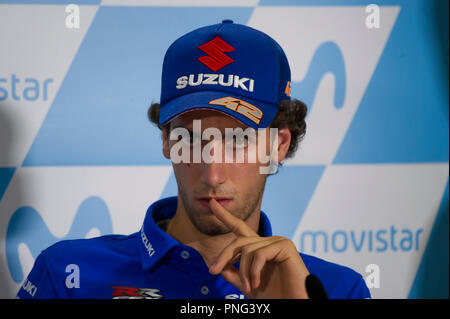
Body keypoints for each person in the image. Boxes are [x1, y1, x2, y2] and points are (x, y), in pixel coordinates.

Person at [17, 20, 370, 299]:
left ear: (278, 145)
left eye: (238, 140)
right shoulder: (67, 274)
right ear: (167, 141)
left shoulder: (335, 289)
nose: (212, 174)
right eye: (192, 140)